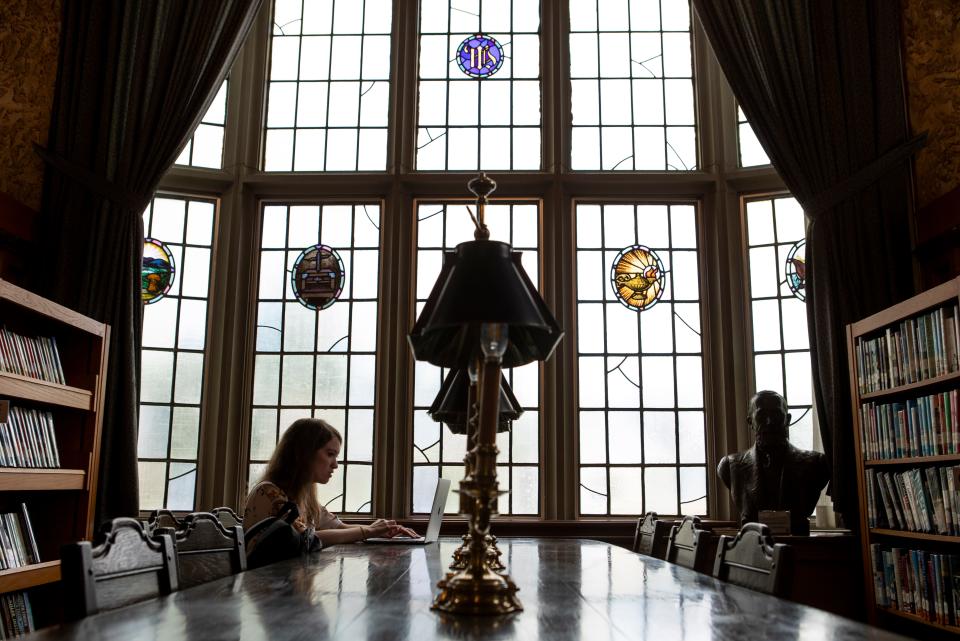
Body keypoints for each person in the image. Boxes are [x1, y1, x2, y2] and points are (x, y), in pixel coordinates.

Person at [243, 418, 417, 547]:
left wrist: (380, 530)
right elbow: (307, 539)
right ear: (304, 453)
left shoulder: (305, 496)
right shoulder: (269, 493)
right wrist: (368, 531)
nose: (335, 464)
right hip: (264, 587)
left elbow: (339, 527)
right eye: (330, 454)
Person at [717, 390, 829, 535]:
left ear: (787, 420)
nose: (770, 422)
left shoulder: (816, 464)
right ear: (750, 421)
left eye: (776, 415)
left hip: (799, 543)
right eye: (762, 415)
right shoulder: (729, 466)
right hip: (752, 548)